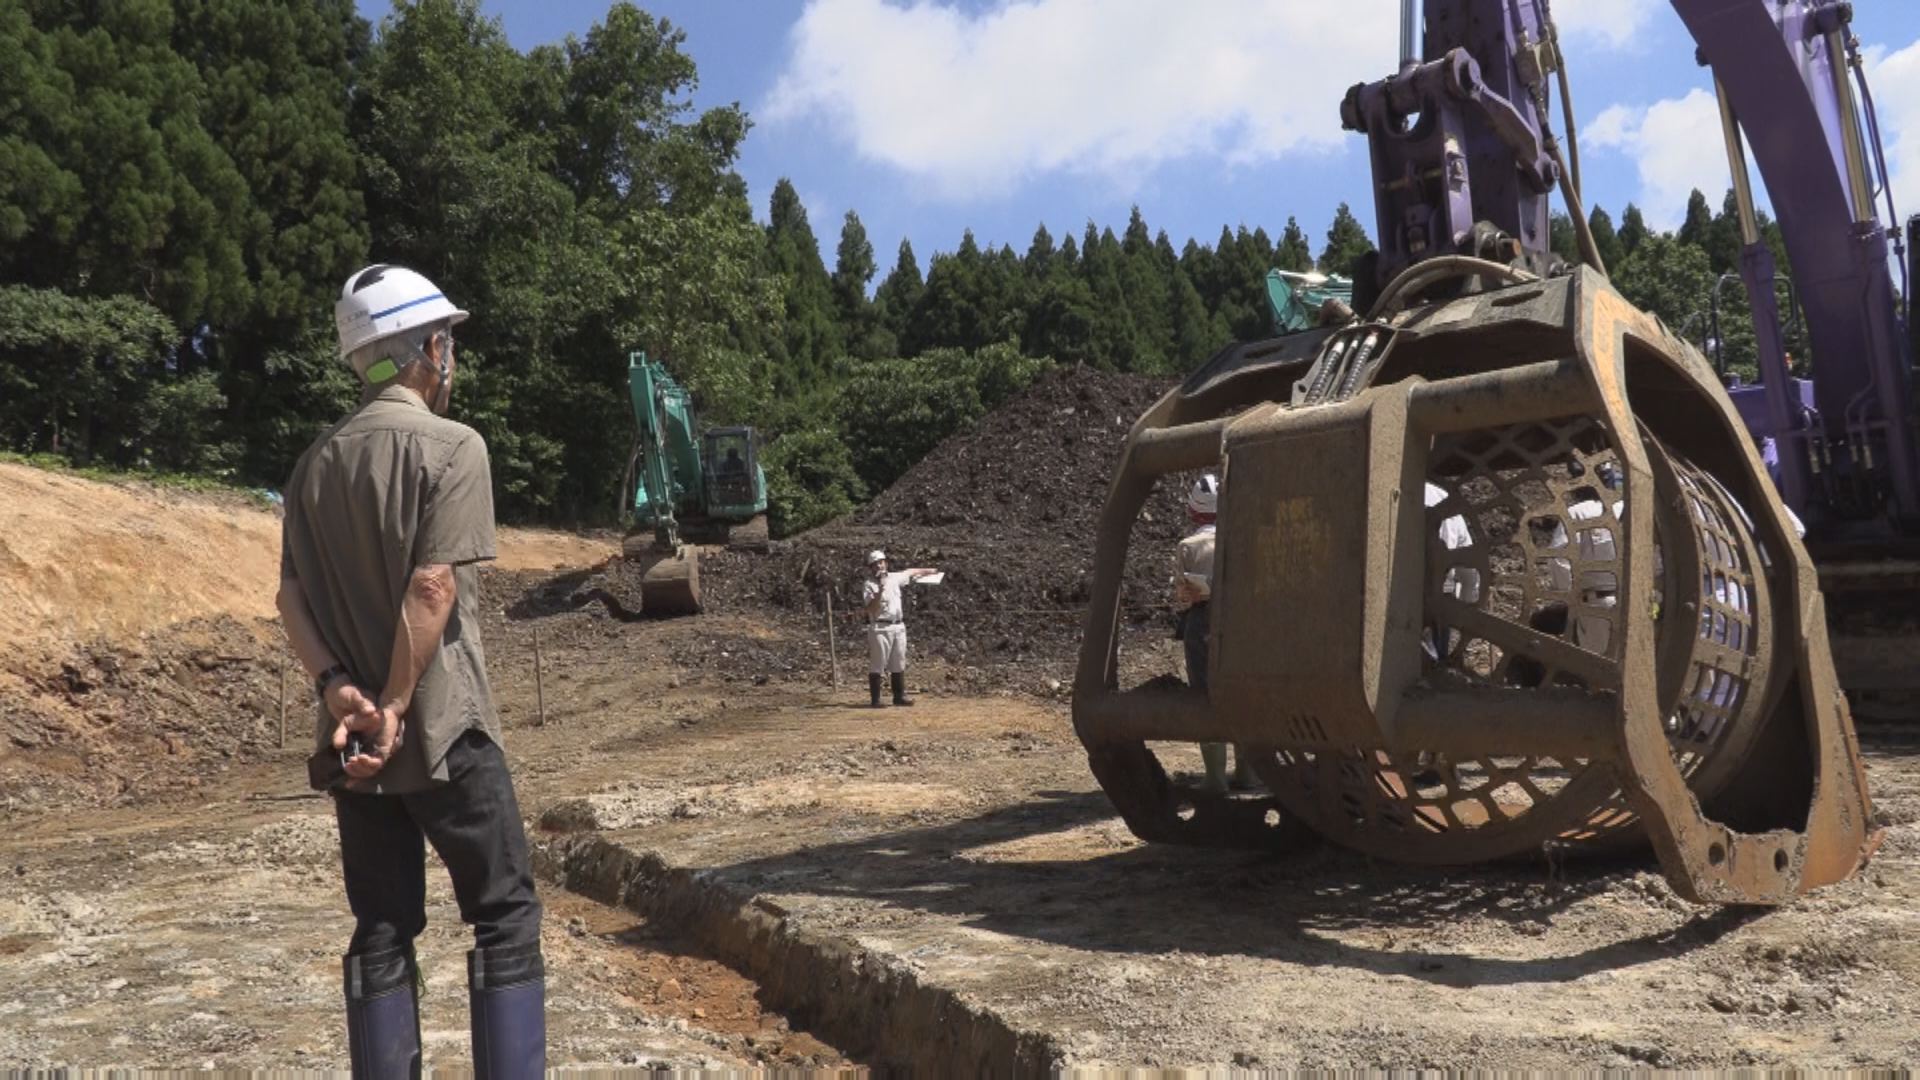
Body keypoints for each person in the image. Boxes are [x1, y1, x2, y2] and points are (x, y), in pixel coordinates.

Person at [276, 264, 543, 1078]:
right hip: (443, 731)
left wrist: (340, 693)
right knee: (504, 915)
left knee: (383, 928)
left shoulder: (312, 466)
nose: (453, 357)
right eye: (448, 342)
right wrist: (395, 705)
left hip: (356, 746)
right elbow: (433, 587)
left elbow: (290, 599)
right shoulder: (455, 448)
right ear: (430, 350)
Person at [1173, 474, 1256, 794]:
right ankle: (1248, 772)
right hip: (1243, 621)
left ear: (1194, 511)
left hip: (1203, 624)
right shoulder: (1245, 538)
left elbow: (1183, 595)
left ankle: (1215, 777)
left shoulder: (1188, 546)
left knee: (1205, 694)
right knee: (1242, 692)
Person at [862, 550, 939, 707]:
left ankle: (899, 696)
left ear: (886, 563)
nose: (879, 566)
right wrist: (880, 590)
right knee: (878, 663)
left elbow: (910, 572)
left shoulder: (894, 578)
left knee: (898, 661)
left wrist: (930, 570)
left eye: (881, 562)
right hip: (880, 627)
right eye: (875, 564)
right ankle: (875, 700)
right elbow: (871, 608)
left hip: (898, 625)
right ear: (871, 568)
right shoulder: (869, 584)